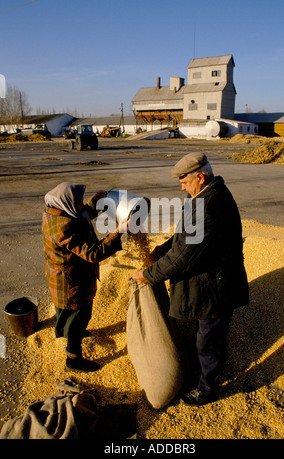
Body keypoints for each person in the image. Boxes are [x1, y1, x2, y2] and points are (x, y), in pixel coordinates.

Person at [132, 152, 249, 406]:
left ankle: (209, 388)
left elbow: (184, 257)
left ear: (200, 176)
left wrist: (149, 275)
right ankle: (207, 370)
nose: (182, 187)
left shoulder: (210, 206)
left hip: (217, 287)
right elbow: (183, 236)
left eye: (184, 182)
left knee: (209, 339)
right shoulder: (202, 196)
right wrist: (161, 250)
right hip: (212, 278)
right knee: (207, 333)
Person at [42, 182, 127, 373]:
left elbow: (79, 216)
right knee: (77, 316)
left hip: (64, 278)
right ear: (66, 203)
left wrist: (92, 202)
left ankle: (74, 332)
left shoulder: (53, 211)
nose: (81, 205)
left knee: (72, 314)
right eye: (78, 202)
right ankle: (73, 358)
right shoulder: (64, 228)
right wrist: (118, 231)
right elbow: (93, 254)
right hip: (70, 283)